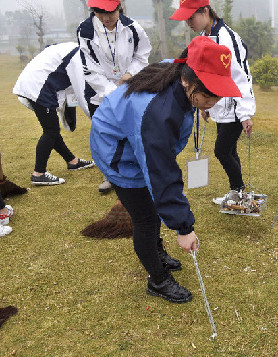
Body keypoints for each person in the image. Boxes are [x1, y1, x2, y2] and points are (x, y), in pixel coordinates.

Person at [90, 36, 241, 303]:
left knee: (152, 206)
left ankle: (156, 251)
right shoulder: (157, 114)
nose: (213, 102)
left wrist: (202, 102)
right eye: (208, 95)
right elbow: (161, 173)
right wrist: (183, 228)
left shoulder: (179, 70)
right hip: (118, 152)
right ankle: (158, 280)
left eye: (218, 94)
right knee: (146, 218)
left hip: (137, 138)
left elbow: (160, 161)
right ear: (187, 81)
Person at [170, 0, 256, 204]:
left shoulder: (228, 38)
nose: (188, 22)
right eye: (186, 18)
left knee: (222, 150)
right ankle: (238, 192)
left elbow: (241, 76)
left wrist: (245, 114)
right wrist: (204, 106)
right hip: (218, 105)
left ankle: (239, 192)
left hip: (234, 106)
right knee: (229, 150)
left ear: (206, 11)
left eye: (192, 16)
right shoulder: (204, 37)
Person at [77, 0, 151, 193]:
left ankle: (138, 171)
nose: (106, 18)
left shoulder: (133, 28)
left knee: (133, 131)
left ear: (119, 7)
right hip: (100, 94)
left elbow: (142, 55)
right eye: (99, 12)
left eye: (110, 12)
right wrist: (113, 92)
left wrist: (131, 74)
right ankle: (110, 175)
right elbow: (89, 69)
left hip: (130, 88)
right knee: (107, 136)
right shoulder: (85, 31)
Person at [13, 42, 95, 186]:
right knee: (51, 130)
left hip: (36, 84)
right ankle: (39, 173)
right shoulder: (77, 55)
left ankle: (72, 161)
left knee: (52, 130)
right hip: (39, 87)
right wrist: (95, 117)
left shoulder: (71, 47)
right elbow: (80, 89)